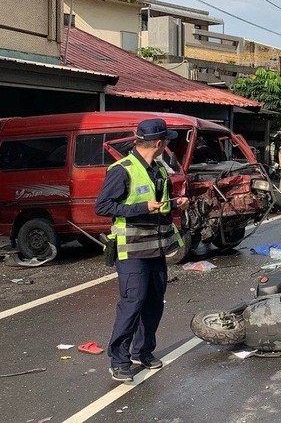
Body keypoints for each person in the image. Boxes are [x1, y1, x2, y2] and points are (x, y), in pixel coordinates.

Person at [95, 119, 187, 383]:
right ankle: (119, 360)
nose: (168, 145)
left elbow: (161, 206)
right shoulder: (122, 170)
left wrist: (176, 203)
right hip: (132, 251)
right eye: (167, 141)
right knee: (132, 304)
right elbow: (102, 207)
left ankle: (143, 351)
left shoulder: (158, 168)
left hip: (156, 249)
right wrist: (141, 208)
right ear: (158, 144)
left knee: (154, 303)